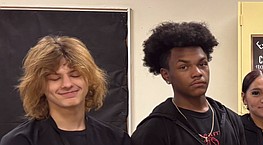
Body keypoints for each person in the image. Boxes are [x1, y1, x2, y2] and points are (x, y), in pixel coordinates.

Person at [0, 35, 132, 145]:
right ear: (39, 86)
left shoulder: (117, 140)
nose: (67, 84)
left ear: (90, 79)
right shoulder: (19, 142)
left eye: (75, 75)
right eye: (54, 78)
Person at [131, 22, 246, 145]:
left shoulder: (229, 119)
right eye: (184, 67)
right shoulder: (153, 130)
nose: (197, 73)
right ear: (166, 75)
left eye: (202, 64)